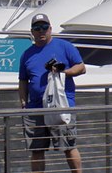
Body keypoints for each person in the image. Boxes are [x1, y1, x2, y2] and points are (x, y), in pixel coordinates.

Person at [18, 13, 86, 173]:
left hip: (61, 106)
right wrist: (23, 102)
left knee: (69, 146)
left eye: (44, 27)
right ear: (32, 31)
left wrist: (64, 72)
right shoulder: (26, 54)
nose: (41, 31)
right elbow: (22, 80)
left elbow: (81, 67)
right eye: (37, 28)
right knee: (36, 150)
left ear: (50, 29)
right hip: (35, 108)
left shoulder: (65, 46)